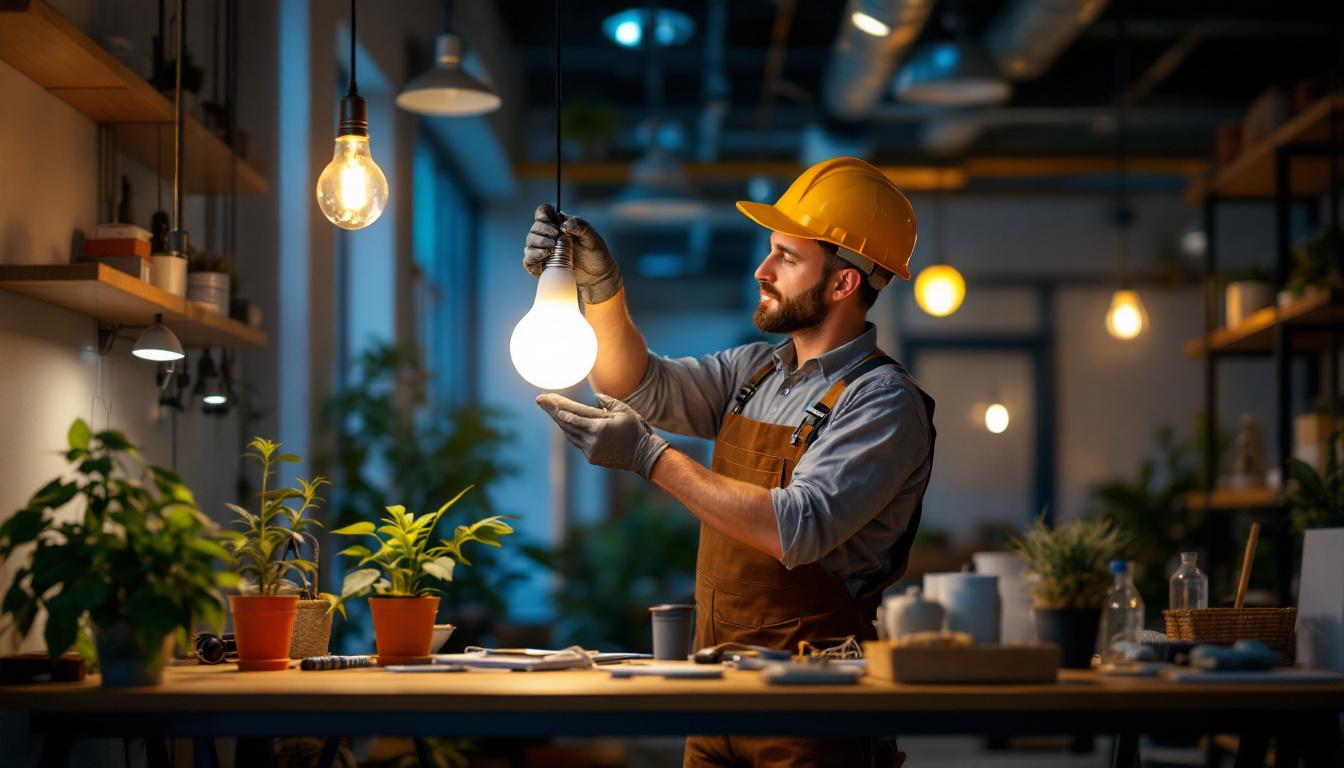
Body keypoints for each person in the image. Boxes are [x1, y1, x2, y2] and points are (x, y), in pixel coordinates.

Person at [525, 156, 935, 768]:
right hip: (717, 697)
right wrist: (601, 292)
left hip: (813, 712)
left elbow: (794, 527)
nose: (761, 270)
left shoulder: (882, 402)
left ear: (845, 282)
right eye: (770, 251)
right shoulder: (756, 371)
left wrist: (649, 457)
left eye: (787, 258)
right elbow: (638, 384)